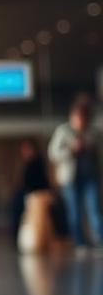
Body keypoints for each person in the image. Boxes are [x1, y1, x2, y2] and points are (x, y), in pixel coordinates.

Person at [48, 94, 103, 251]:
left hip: (90, 177)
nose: (81, 121)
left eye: (83, 117)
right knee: (74, 212)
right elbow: (53, 153)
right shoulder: (63, 131)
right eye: (78, 117)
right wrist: (71, 149)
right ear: (72, 116)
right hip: (70, 179)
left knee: (95, 210)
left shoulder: (93, 132)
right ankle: (80, 243)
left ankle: (100, 241)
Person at [10, 139, 51, 248]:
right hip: (28, 194)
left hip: (34, 196)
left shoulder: (37, 163)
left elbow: (40, 183)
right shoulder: (27, 164)